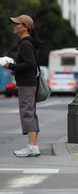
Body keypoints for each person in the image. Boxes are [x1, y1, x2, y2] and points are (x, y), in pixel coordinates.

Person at [4, 14, 41, 157]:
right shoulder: (28, 42)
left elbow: (29, 65)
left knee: (27, 113)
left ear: (25, 27)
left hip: (27, 83)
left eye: (17, 24)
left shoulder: (25, 43)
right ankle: (33, 146)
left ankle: (31, 146)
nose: (14, 26)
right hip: (30, 83)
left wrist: (10, 65)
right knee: (30, 113)